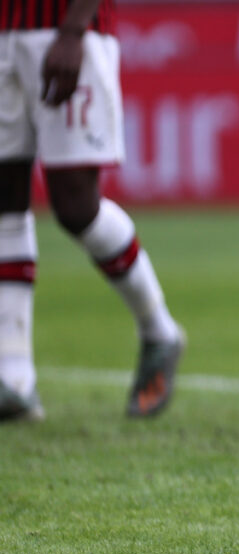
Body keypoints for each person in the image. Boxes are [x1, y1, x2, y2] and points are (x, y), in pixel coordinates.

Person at [0, 0, 184, 421]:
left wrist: (73, 29)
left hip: (60, 29)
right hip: (4, 32)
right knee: (4, 199)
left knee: (75, 206)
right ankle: (14, 381)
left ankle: (159, 329)